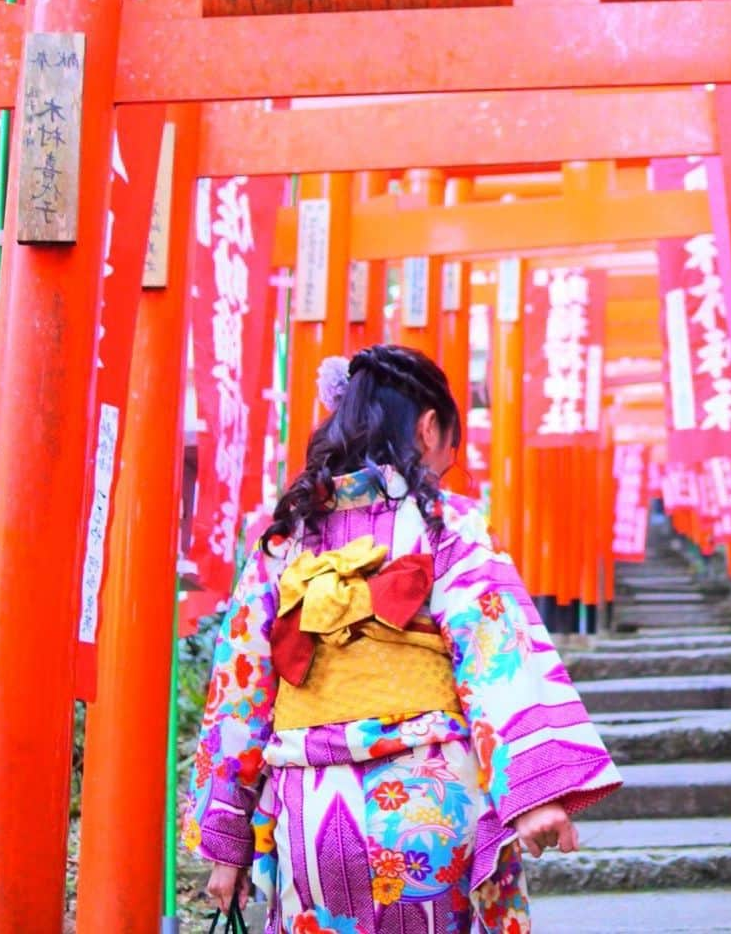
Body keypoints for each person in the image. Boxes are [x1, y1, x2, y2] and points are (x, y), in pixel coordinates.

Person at [184, 344, 621, 934]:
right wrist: (535, 792)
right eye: (449, 446)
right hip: (427, 802)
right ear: (427, 426)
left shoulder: (285, 538)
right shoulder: (448, 525)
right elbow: (497, 660)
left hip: (309, 809)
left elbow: (240, 694)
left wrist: (227, 839)